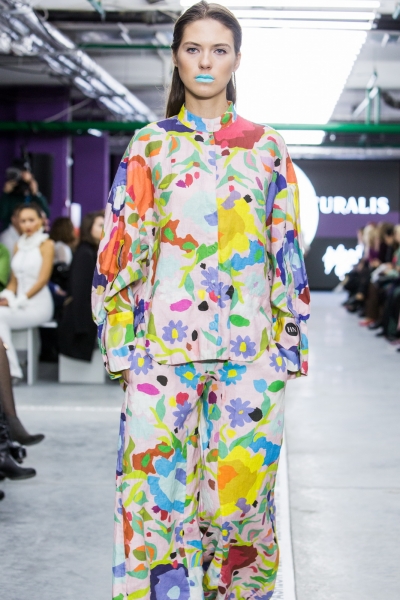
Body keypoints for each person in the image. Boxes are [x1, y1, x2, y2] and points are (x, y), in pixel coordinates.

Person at [92, 3, 310, 598]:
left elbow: (285, 249)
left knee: (241, 508)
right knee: (153, 504)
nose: (206, 61)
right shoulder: (149, 145)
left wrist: (290, 345)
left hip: (251, 356)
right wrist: (120, 346)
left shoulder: (266, 147)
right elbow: (121, 249)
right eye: (193, 48)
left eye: (219, 49)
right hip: (159, 356)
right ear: (176, 57)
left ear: (237, 59)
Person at [0, 203, 54, 381]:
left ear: (41, 220)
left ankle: (12, 371)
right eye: (23, 221)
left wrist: (18, 300)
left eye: (31, 220)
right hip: (19, 303)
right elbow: (13, 281)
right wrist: (6, 297)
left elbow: (42, 280)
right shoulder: (18, 245)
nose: (27, 224)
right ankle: (10, 369)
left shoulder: (47, 244)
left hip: (39, 305)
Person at [58, 211, 104, 361]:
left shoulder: (91, 251)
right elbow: (81, 292)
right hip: (81, 320)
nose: (105, 228)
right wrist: (82, 327)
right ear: (89, 228)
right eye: (100, 225)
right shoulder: (85, 253)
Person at [0, 158, 50, 232]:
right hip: (13, 233)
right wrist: (5, 194)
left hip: (31, 233)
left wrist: (36, 193)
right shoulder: (10, 196)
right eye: (19, 173)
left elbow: (46, 213)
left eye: (23, 172)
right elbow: (2, 215)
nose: (21, 176)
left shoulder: (33, 196)